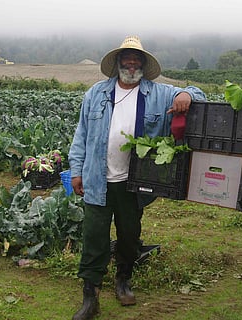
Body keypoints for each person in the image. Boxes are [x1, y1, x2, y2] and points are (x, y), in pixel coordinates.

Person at [68, 35, 206, 320]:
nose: (131, 64)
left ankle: (122, 281)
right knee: (94, 237)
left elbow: (199, 93)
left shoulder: (158, 93)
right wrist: (77, 170)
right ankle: (90, 297)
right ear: (118, 63)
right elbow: (81, 134)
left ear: (143, 64)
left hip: (133, 182)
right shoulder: (96, 94)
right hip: (97, 180)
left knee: (130, 236)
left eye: (136, 60)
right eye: (126, 59)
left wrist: (186, 95)